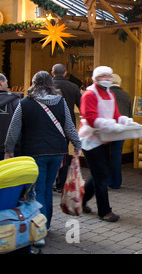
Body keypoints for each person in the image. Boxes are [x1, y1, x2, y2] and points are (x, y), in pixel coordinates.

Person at [4, 71, 81, 246]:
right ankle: (45, 225)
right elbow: (69, 126)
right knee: (47, 188)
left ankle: (39, 232)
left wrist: (9, 150)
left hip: (34, 152)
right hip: (56, 152)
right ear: (50, 83)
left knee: (37, 189)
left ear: (33, 83)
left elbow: (13, 130)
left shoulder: (24, 103)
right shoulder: (60, 101)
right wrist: (76, 145)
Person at [79, 66, 137, 222]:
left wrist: (127, 121)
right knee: (101, 176)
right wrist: (111, 125)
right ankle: (104, 211)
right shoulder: (89, 94)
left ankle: (81, 200)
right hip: (90, 139)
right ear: (95, 78)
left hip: (104, 139)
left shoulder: (110, 94)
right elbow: (91, 118)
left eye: (109, 76)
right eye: (103, 76)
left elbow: (116, 115)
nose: (106, 79)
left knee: (100, 174)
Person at [51, 63, 82, 192]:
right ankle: (61, 183)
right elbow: (81, 105)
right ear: (65, 73)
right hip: (66, 124)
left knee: (49, 152)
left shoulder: (46, 86)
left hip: (49, 124)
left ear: (52, 73)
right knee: (63, 153)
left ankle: (49, 181)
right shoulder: (73, 87)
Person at [108, 73, 133, 189]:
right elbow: (129, 114)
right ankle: (117, 182)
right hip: (121, 129)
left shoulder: (107, 94)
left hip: (109, 129)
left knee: (107, 155)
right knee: (117, 156)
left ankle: (108, 180)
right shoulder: (126, 95)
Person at [0, 73, 20, 160]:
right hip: (10, 149)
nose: (7, 85)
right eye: (6, 83)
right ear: (1, 83)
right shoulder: (17, 102)